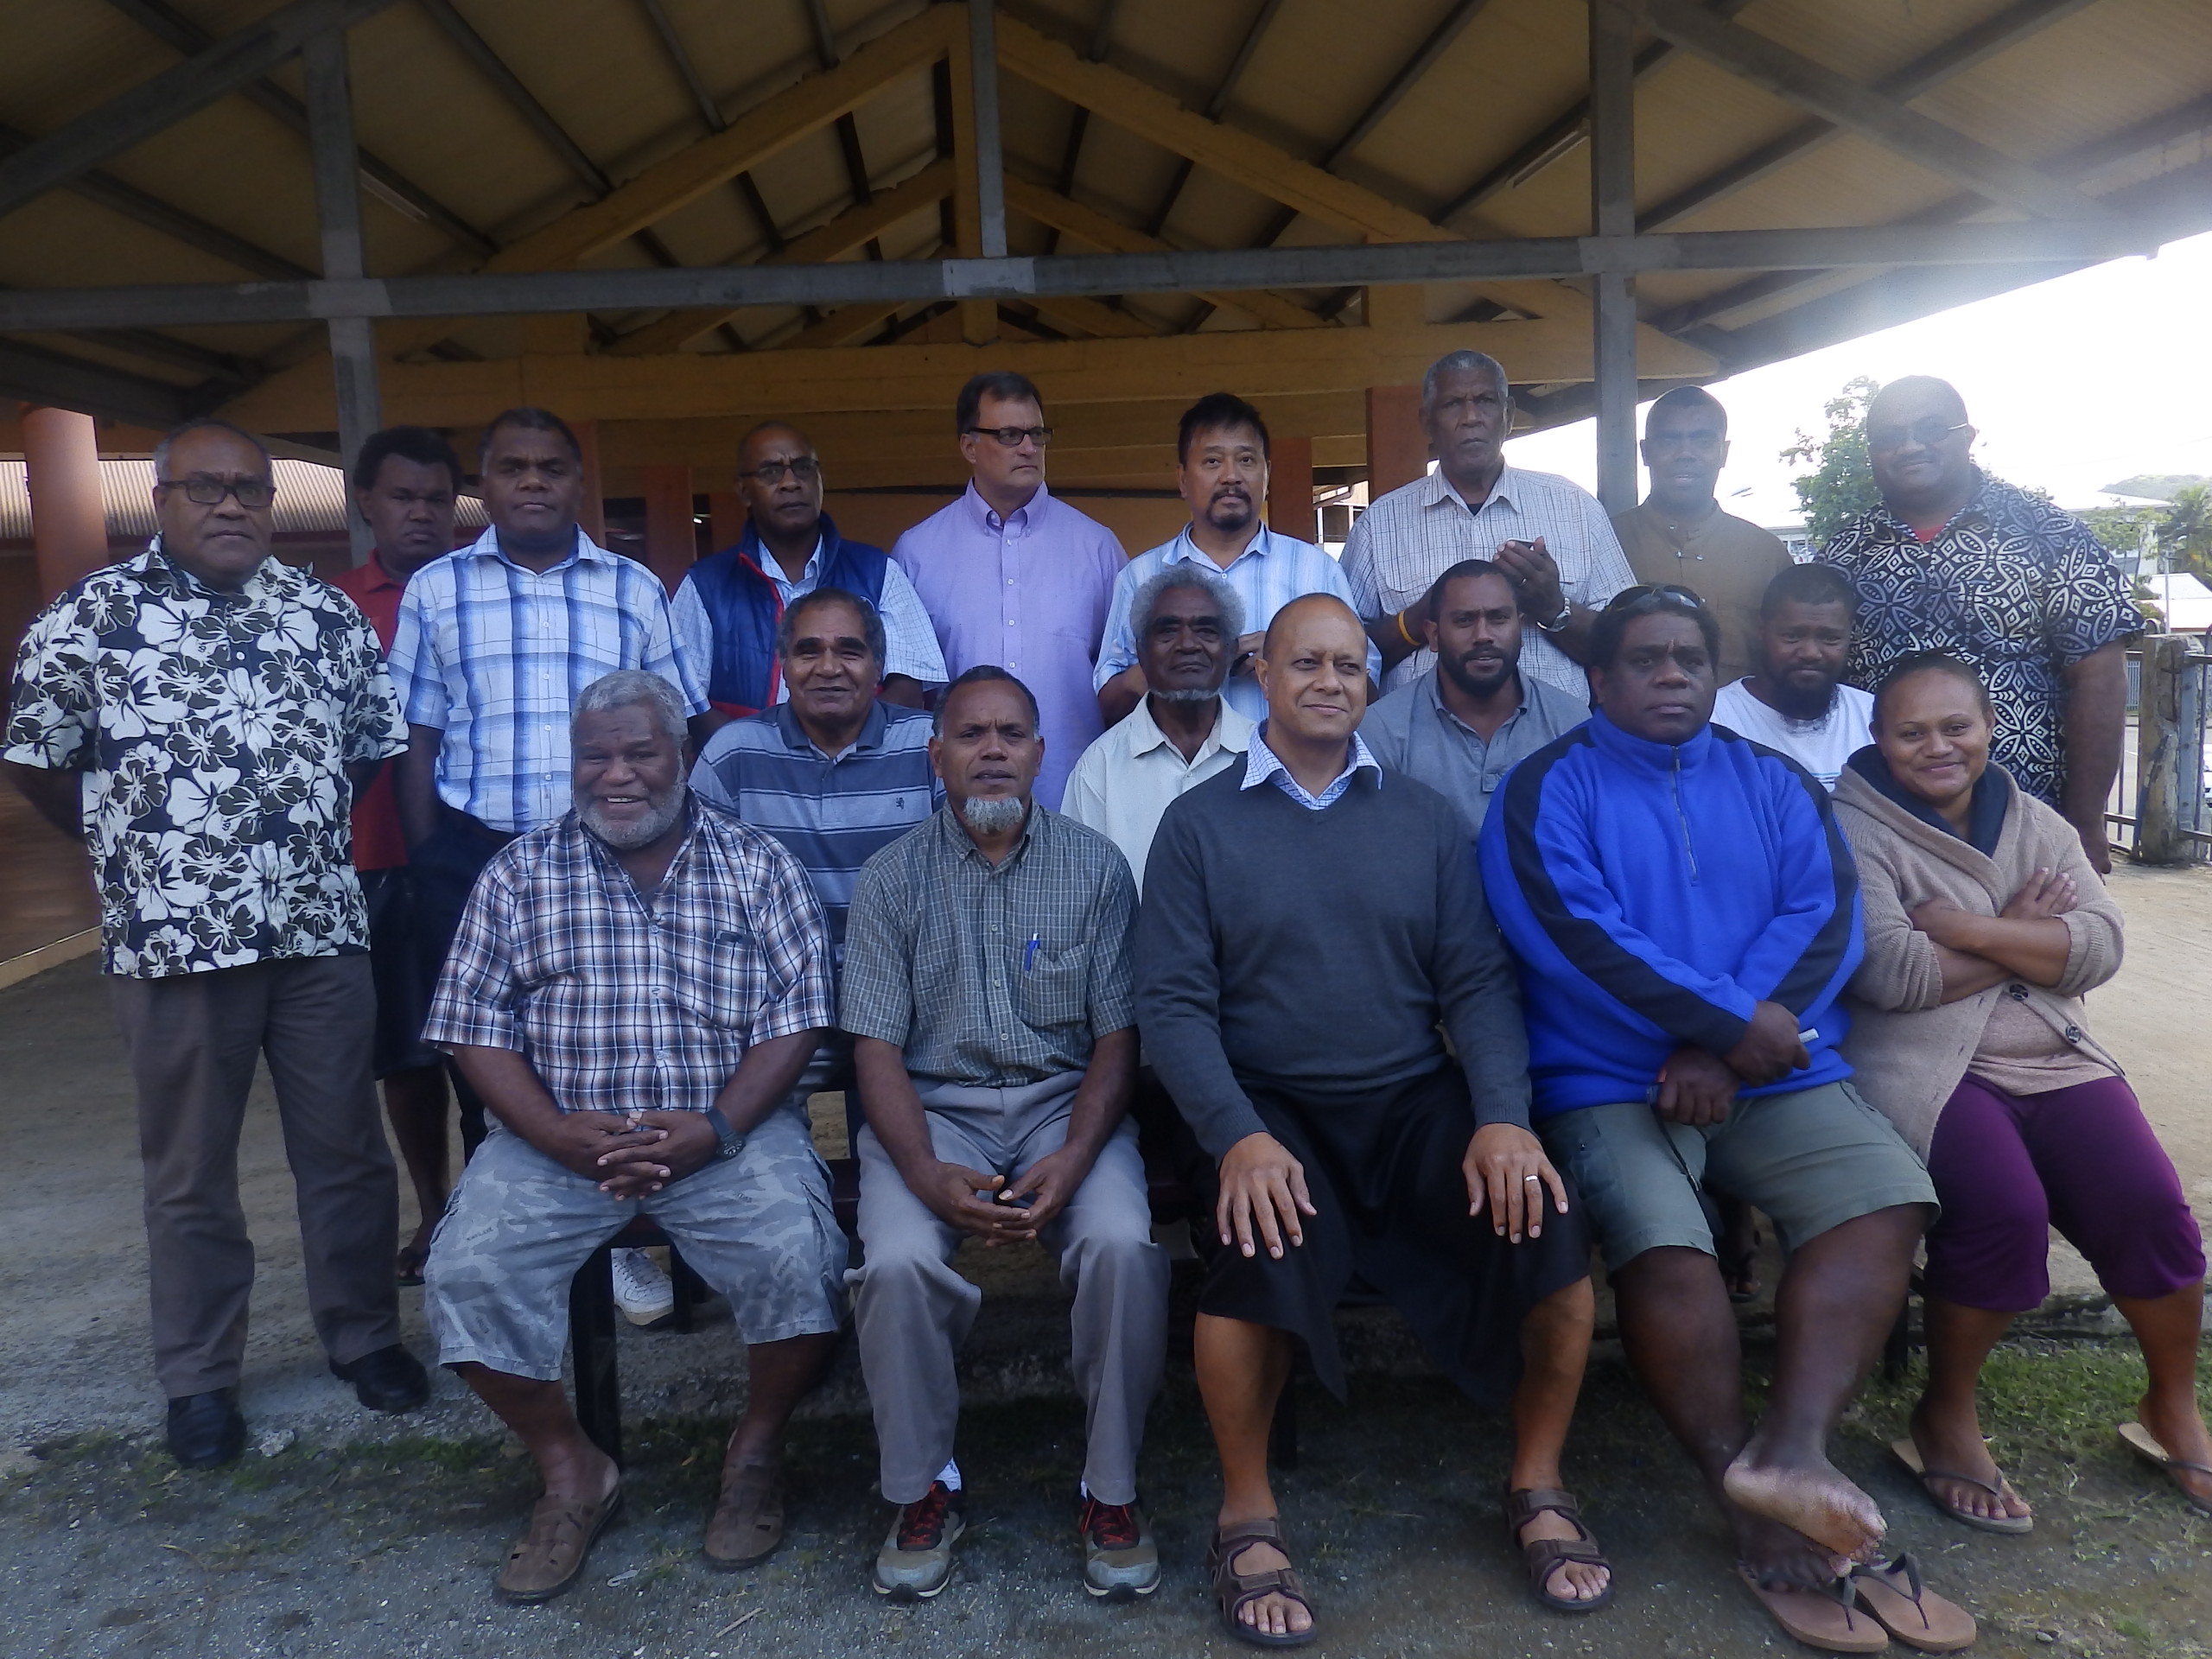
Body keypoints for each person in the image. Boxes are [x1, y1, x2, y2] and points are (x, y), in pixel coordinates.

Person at [1480, 588, 1964, 1654]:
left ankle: (1789, 1452)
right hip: (1609, 1077)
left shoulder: (1779, 782)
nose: (1670, 676)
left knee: (1884, 1198)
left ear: (1715, 671)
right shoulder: (1543, 790)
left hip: (1767, 1069)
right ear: (1597, 680)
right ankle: (1740, 1499)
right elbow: (1571, 935)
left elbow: (1824, 919)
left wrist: (1725, 1039)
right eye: (1645, 660)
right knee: (1666, 1245)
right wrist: (1711, 1027)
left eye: (1689, 658)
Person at [1137, 594, 1609, 1646]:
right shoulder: (1198, 826)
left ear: (1370, 678)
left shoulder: (1422, 820)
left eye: (1349, 666)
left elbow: (1478, 984)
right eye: (1307, 663)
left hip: (1407, 1097)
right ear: (1261, 671)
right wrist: (1237, 1137)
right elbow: (1169, 1004)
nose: (1329, 683)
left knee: (1549, 1228)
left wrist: (1500, 1117)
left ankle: (1536, 1483)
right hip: (1267, 1105)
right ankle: (1245, 1515)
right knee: (1255, 1252)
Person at [3, 417, 429, 1469]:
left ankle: (365, 1338)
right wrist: (137, 855)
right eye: (205, 488)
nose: (230, 504)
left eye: (248, 488)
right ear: (161, 500)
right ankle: (199, 1378)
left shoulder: (323, 615)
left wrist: (290, 846)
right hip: (174, 943)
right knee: (189, 1174)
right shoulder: (90, 618)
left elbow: (369, 756)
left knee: (345, 1154)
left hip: (319, 931)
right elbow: (39, 761)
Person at [420, 671, 846, 1603]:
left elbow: (799, 1019)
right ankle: (574, 1469)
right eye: (595, 755)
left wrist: (720, 1125)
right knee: (465, 1275)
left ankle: (755, 1452)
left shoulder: (757, 865)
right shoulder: (519, 873)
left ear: (682, 759)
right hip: (557, 1144)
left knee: (802, 1257)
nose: (617, 774)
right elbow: (470, 1025)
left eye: (639, 752)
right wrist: (555, 1133)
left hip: (725, 1137)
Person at [1835, 652, 2210, 1529]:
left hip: (2053, 1052)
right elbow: (1892, 975)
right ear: (1879, 739)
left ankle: (2169, 1404)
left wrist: (1963, 928)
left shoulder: (2032, 819)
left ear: (1990, 726)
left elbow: (2100, 946)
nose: (1938, 746)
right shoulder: (1852, 826)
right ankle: (1944, 1416)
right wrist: (2028, 934)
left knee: (2149, 1205)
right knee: (2002, 1210)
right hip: (1928, 1063)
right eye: (1911, 731)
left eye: (1955, 726)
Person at [838, 667, 1166, 1603]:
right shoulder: (891, 878)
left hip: (1069, 1109)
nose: (992, 752)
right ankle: (922, 1487)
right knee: (896, 1261)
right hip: (933, 1114)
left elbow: (1117, 1038)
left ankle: (1110, 1489)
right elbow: (876, 1050)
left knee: (1118, 1245)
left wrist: (1075, 1154)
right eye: (971, 735)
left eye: (1011, 734)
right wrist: (922, 1170)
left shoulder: (1095, 869)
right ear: (935, 754)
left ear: (1039, 752)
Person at [388, 404, 711, 1327]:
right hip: (477, 854)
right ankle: (529, 1252)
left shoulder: (632, 587)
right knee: (486, 1062)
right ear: (481, 485)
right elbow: (416, 735)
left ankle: (636, 1248)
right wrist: (427, 861)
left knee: (621, 1043)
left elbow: (679, 726)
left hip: (615, 857)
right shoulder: (438, 591)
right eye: (513, 467)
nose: (533, 482)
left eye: (552, 468)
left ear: (579, 483)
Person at [1819, 375, 2139, 871]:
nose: (1910, 447)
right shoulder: (1843, 553)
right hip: (1884, 830)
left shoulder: (2049, 534)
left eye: (1930, 429)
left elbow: (2099, 677)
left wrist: (2086, 820)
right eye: (1889, 437)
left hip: (2026, 824)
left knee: (2041, 947)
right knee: (1900, 950)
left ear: (1967, 437)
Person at [690, 588, 942, 1117]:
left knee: (938, 1135)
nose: (829, 668)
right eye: (808, 651)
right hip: (780, 1015)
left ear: (878, 664)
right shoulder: (733, 755)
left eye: (849, 651)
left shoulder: (931, 747)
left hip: (918, 1009)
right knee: (752, 1139)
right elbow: (701, 904)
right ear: (783, 664)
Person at [332, 424, 466, 1284]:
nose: (421, 514)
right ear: (367, 503)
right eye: (403, 497)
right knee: (409, 1054)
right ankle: (436, 1216)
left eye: (436, 499)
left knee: (508, 1048)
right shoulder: (334, 607)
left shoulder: (483, 592)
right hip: (376, 860)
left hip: (482, 857)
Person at [892, 372, 1127, 810]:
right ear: (968, 447)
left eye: (1037, 434)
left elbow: (1123, 683)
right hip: (955, 811)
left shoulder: (1098, 547)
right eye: (1009, 434)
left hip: (1075, 800)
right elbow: (910, 699)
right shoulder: (917, 552)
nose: (1028, 447)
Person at [1343, 350, 1633, 703]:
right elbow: (1344, 654)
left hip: (1555, 747)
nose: (1471, 418)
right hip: (1421, 751)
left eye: (1485, 401)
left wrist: (1554, 607)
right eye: (1452, 404)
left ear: (1508, 415)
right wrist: (1418, 618)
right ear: (1427, 421)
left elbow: (1628, 645)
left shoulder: (1575, 507)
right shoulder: (1381, 522)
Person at [1092, 392, 1376, 728]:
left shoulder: (1317, 571)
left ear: (1267, 474)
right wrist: (1178, 661)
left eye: (1246, 460)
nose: (1231, 476)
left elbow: (1367, 688)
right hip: (1175, 779)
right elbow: (1108, 703)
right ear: (1183, 479)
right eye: (1212, 462)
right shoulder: (1141, 576)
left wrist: (1288, 655)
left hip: (1288, 775)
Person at [671, 421, 945, 718]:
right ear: (744, 491)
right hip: (748, 763)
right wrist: (751, 754)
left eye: (803, 468)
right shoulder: (705, 585)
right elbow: (688, 702)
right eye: (771, 472)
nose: (791, 482)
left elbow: (908, 686)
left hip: (859, 760)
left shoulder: (878, 573)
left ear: (820, 479)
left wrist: (853, 751)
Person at [1361, 559, 1587, 837]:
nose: (1483, 636)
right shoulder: (1381, 731)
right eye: (1464, 620)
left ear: (1520, 627)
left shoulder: (1571, 723)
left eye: (1498, 618)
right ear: (1433, 635)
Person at [1064, 565, 1255, 892]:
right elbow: (1079, 896)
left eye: (1207, 630)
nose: (1187, 645)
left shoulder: (1267, 757)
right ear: (1140, 651)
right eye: (1167, 631)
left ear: (1231, 649)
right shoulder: (1099, 769)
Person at [1612, 387, 1794, 687]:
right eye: (1669, 440)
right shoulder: (1605, 540)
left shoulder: (1766, 553)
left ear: (1723, 452)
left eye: (1703, 440)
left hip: (1744, 731)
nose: (1685, 454)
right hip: (1629, 728)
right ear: (1645, 452)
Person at [1712, 563, 1874, 791]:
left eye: (1830, 638)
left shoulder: (1872, 717)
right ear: (1761, 631)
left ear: (1850, 637)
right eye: (1792, 636)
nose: (1810, 653)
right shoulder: (1716, 721)